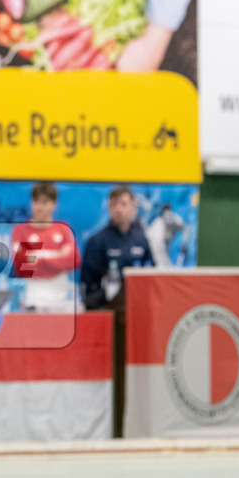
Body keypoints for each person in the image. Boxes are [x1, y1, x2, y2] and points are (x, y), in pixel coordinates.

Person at [80, 184, 155, 438]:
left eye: (126, 204)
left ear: (134, 208)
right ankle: (110, 429)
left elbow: (151, 277)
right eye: (116, 205)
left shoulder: (141, 240)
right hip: (109, 324)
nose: (121, 210)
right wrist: (104, 295)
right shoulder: (97, 242)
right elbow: (86, 291)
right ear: (110, 208)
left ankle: (135, 427)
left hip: (136, 323)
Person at [10, 181, 79, 312]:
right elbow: (21, 265)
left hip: (59, 297)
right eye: (36, 201)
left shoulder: (63, 229)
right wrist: (58, 256)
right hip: (32, 297)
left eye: (44, 202)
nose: (39, 207)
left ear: (54, 204)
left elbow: (74, 261)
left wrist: (39, 258)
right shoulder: (20, 231)